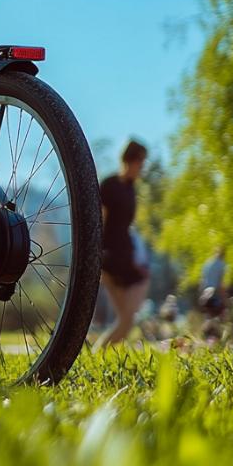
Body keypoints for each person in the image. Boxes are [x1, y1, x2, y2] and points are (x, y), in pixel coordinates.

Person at [96, 140, 149, 349]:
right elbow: (99, 222)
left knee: (127, 322)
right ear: (131, 160)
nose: (142, 167)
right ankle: (96, 354)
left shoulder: (131, 189)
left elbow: (128, 226)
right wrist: (96, 257)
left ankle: (97, 354)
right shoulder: (110, 185)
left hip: (127, 257)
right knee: (126, 322)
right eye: (141, 162)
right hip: (110, 259)